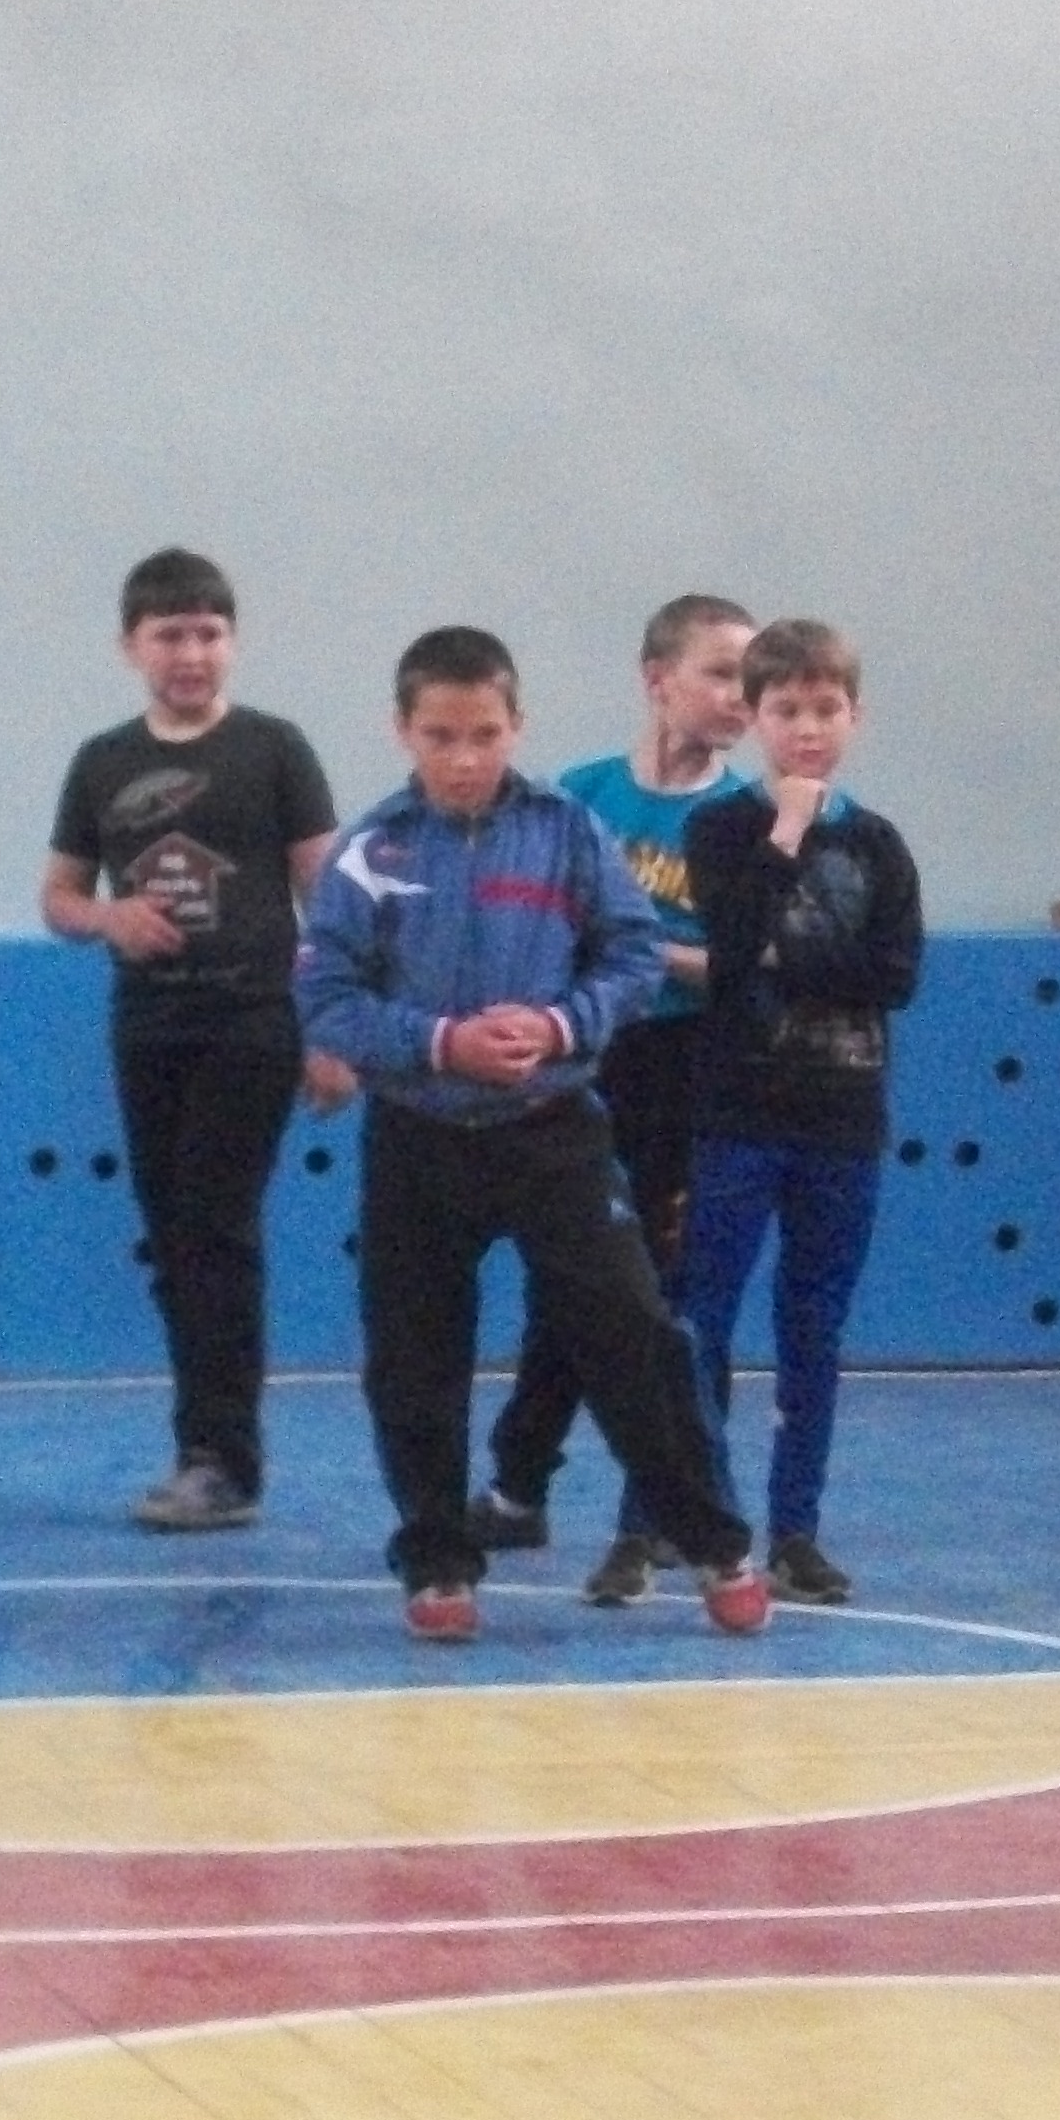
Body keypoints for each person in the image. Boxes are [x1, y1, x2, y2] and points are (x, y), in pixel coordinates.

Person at [294, 625, 771, 1643]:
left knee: (634, 1332)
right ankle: (437, 1563)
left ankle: (714, 1542)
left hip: (553, 1130)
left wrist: (558, 1026)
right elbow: (327, 999)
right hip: (417, 1138)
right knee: (413, 1358)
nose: (465, 758)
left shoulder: (567, 832)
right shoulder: (367, 853)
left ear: (517, 725)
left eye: (485, 734)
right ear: (402, 730)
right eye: (441, 736)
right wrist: (440, 1043)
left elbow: (633, 958)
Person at [43, 548, 347, 1531]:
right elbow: (59, 898)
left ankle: (223, 1460)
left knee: (216, 1230)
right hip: (148, 1026)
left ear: (233, 643)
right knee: (174, 1240)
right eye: (170, 635)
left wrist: (332, 1029)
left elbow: (328, 900)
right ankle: (200, 1446)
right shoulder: (101, 760)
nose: (191, 653)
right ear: (131, 646)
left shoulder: (274, 750)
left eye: (208, 634)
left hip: (252, 1024)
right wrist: (110, 917)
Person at [472, 594, 755, 1580]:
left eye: (750, 679)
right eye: (721, 672)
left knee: (659, 1296)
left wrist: (642, 951)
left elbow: (741, 968)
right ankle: (520, 1483)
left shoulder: (743, 819)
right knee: (565, 1277)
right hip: (585, 1061)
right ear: (657, 680)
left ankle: (666, 1501)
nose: (739, 696)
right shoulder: (581, 797)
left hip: (687, 1069)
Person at [671, 618, 924, 1609]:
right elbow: (732, 950)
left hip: (841, 1119)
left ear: (855, 716)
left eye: (826, 709)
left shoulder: (878, 843)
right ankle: (709, 1519)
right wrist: (783, 834)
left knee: (813, 1327)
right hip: (738, 1115)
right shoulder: (721, 830)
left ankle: (797, 1530)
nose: (808, 728)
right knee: (705, 1317)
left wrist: (789, 957)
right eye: (786, 710)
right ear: (754, 717)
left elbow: (894, 976)